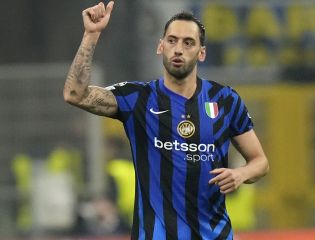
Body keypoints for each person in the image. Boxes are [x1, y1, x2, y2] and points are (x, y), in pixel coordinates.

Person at [63, 2, 269, 239]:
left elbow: (260, 162)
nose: (178, 49)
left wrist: (240, 174)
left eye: (188, 42)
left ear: (201, 52)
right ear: (160, 46)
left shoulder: (225, 100)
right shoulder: (137, 98)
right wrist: (91, 34)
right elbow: (74, 94)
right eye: (172, 40)